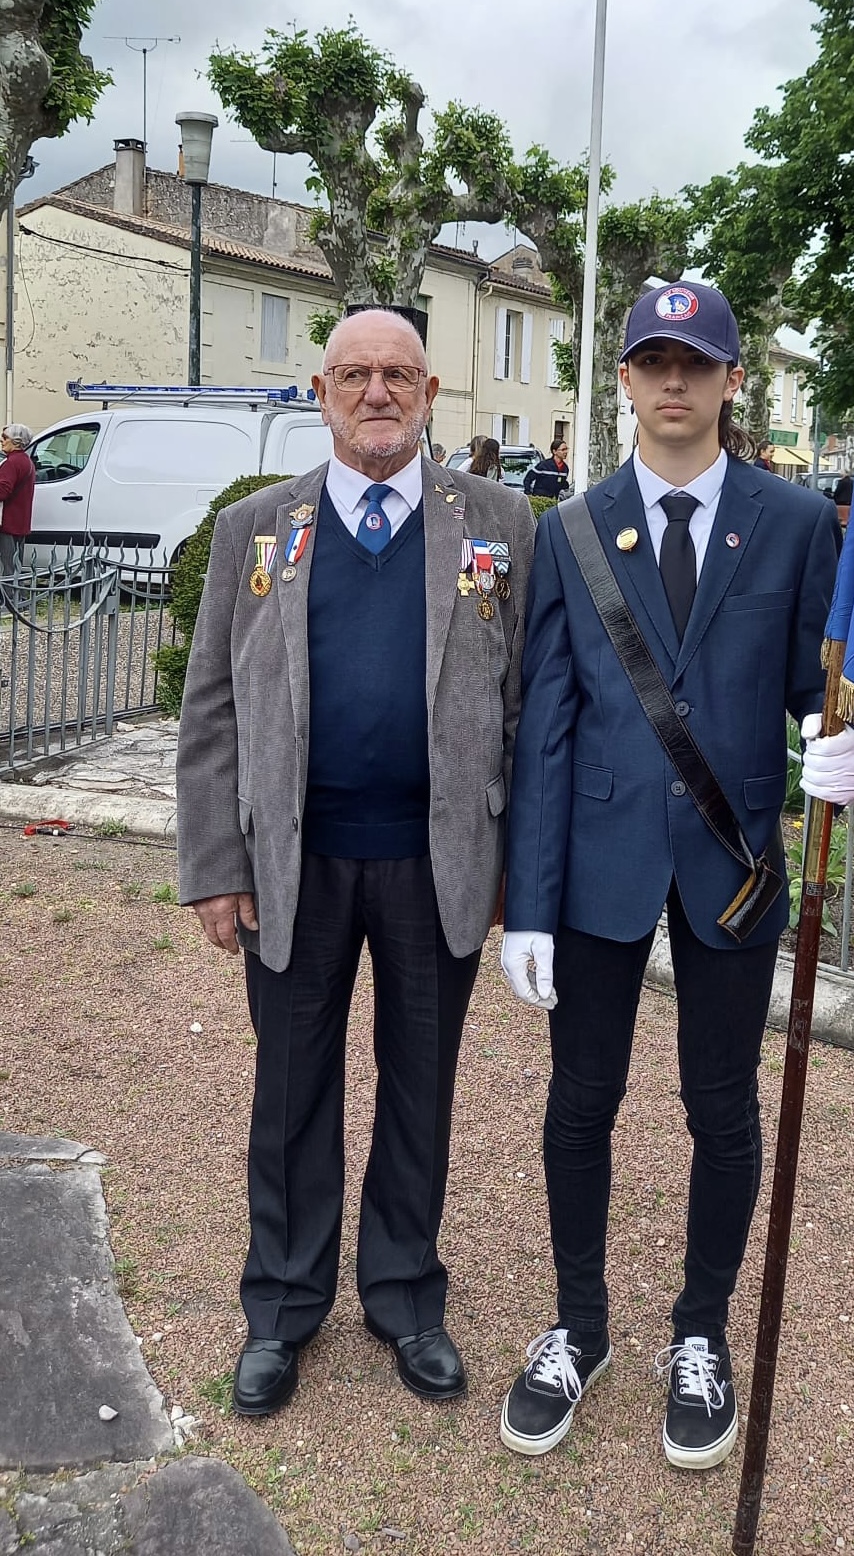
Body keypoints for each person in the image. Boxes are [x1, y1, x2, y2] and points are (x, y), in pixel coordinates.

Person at [496, 281, 854, 1470]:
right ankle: (580, 1326)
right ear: (622, 380)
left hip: (732, 860)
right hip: (597, 862)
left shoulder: (796, 522)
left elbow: (818, 685)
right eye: (653, 361)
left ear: (731, 381)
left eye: (695, 363)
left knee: (722, 1106)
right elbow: (547, 725)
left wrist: (841, 742)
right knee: (580, 1101)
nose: (673, 381)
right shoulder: (571, 529)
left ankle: (700, 1333)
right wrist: (527, 905)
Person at [176, 310, 535, 1419]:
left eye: (398, 376)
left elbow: (526, 705)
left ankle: (405, 1297)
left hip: (439, 862)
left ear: (430, 394)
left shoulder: (499, 523)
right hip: (294, 864)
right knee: (290, 1092)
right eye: (355, 375)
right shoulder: (254, 529)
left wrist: (522, 867)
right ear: (320, 392)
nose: (377, 393)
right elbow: (212, 706)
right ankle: (283, 1308)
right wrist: (215, 862)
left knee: (421, 1087)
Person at [0, 424, 35, 578]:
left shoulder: (11, 463)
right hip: (20, 522)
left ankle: (8, 594)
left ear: (16, 441)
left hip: (7, 522)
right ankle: (16, 592)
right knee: (16, 565)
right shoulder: (26, 461)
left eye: (5, 437)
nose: (2, 440)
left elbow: (2, 491)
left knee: (6, 567)